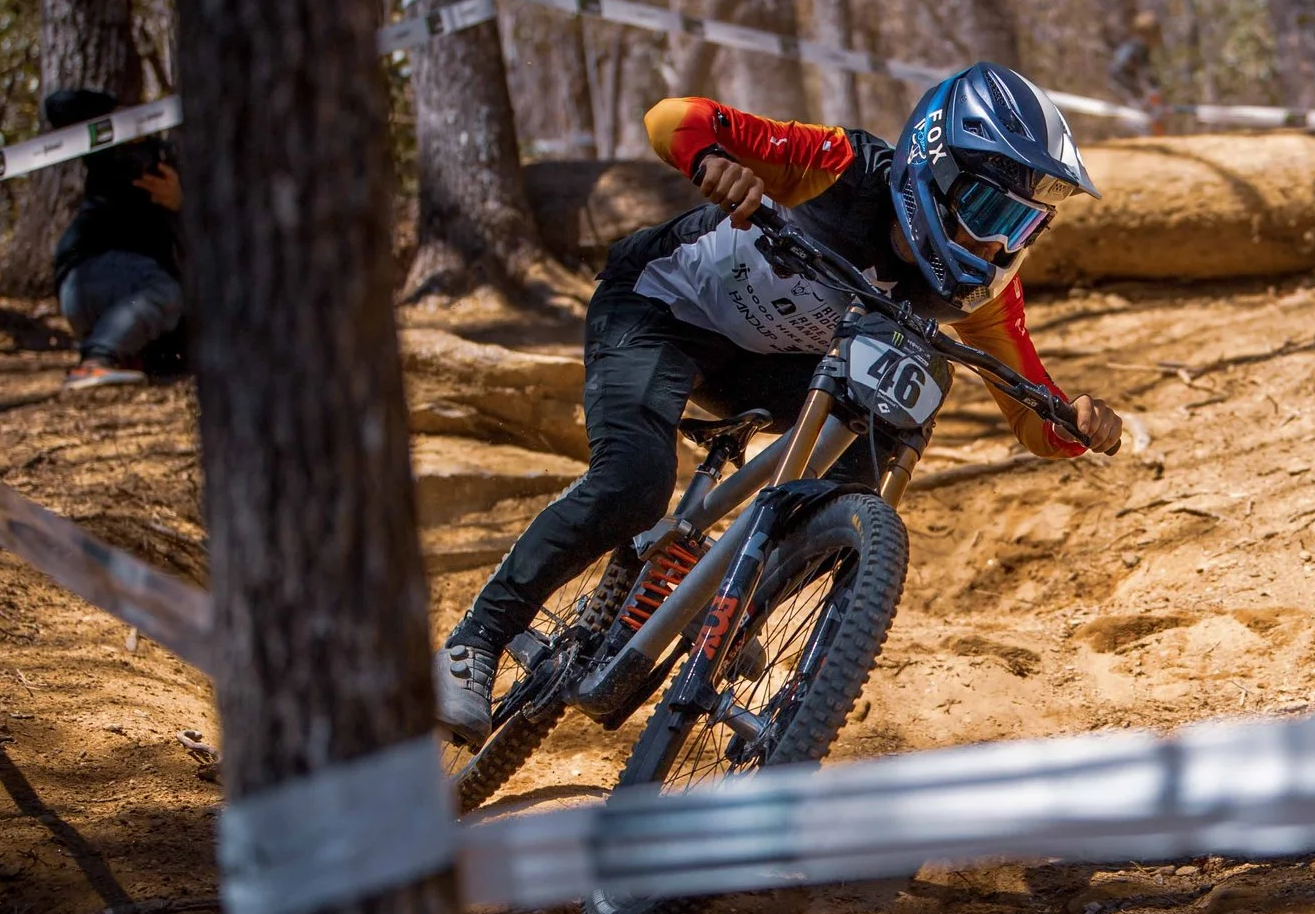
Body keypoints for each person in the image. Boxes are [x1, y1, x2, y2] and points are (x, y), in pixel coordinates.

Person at [433, 63, 1125, 759]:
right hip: (660, 308)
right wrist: (714, 164)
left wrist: (1080, 422)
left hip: (770, 369)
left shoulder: (980, 294)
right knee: (634, 483)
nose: (997, 246)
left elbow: (1035, 413)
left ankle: (734, 596)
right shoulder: (841, 167)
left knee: (872, 444)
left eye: (1021, 224)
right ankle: (476, 641)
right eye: (987, 212)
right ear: (933, 168)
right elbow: (673, 118)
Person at [43, 87, 184, 389]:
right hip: (87, 278)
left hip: (130, 301)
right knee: (164, 291)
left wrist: (181, 204)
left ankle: (123, 356)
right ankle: (96, 361)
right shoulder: (115, 148)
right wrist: (117, 116)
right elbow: (58, 105)